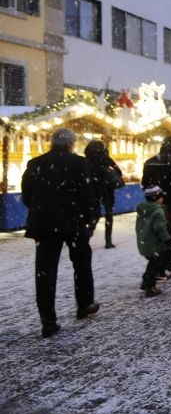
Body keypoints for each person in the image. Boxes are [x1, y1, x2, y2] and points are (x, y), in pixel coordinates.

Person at [21, 127, 100, 338]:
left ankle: (48, 321)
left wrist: (41, 210)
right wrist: (86, 217)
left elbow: (27, 194)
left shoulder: (35, 163)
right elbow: (86, 194)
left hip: (44, 225)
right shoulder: (79, 163)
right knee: (81, 261)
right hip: (72, 222)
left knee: (45, 271)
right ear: (71, 144)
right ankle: (84, 304)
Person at [141, 135, 171, 241]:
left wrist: (155, 197)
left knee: (156, 235)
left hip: (153, 205)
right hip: (170, 205)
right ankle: (167, 255)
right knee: (168, 237)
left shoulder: (150, 161)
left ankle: (159, 255)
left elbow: (145, 184)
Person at [135, 186, 171, 297]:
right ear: (157, 197)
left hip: (144, 243)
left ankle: (147, 281)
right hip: (155, 245)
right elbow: (160, 229)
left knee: (153, 262)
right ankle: (149, 287)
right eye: (161, 196)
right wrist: (167, 241)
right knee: (156, 263)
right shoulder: (158, 211)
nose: (163, 198)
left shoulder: (143, 210)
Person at [84, 139, 124, 249]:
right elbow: (119, 172)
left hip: (93, 191)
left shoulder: (86, 161)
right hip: (107, 190)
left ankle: (87, 235)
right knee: (109, 215)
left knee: (95, 215)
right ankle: (108, 241)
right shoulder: (106, 159)